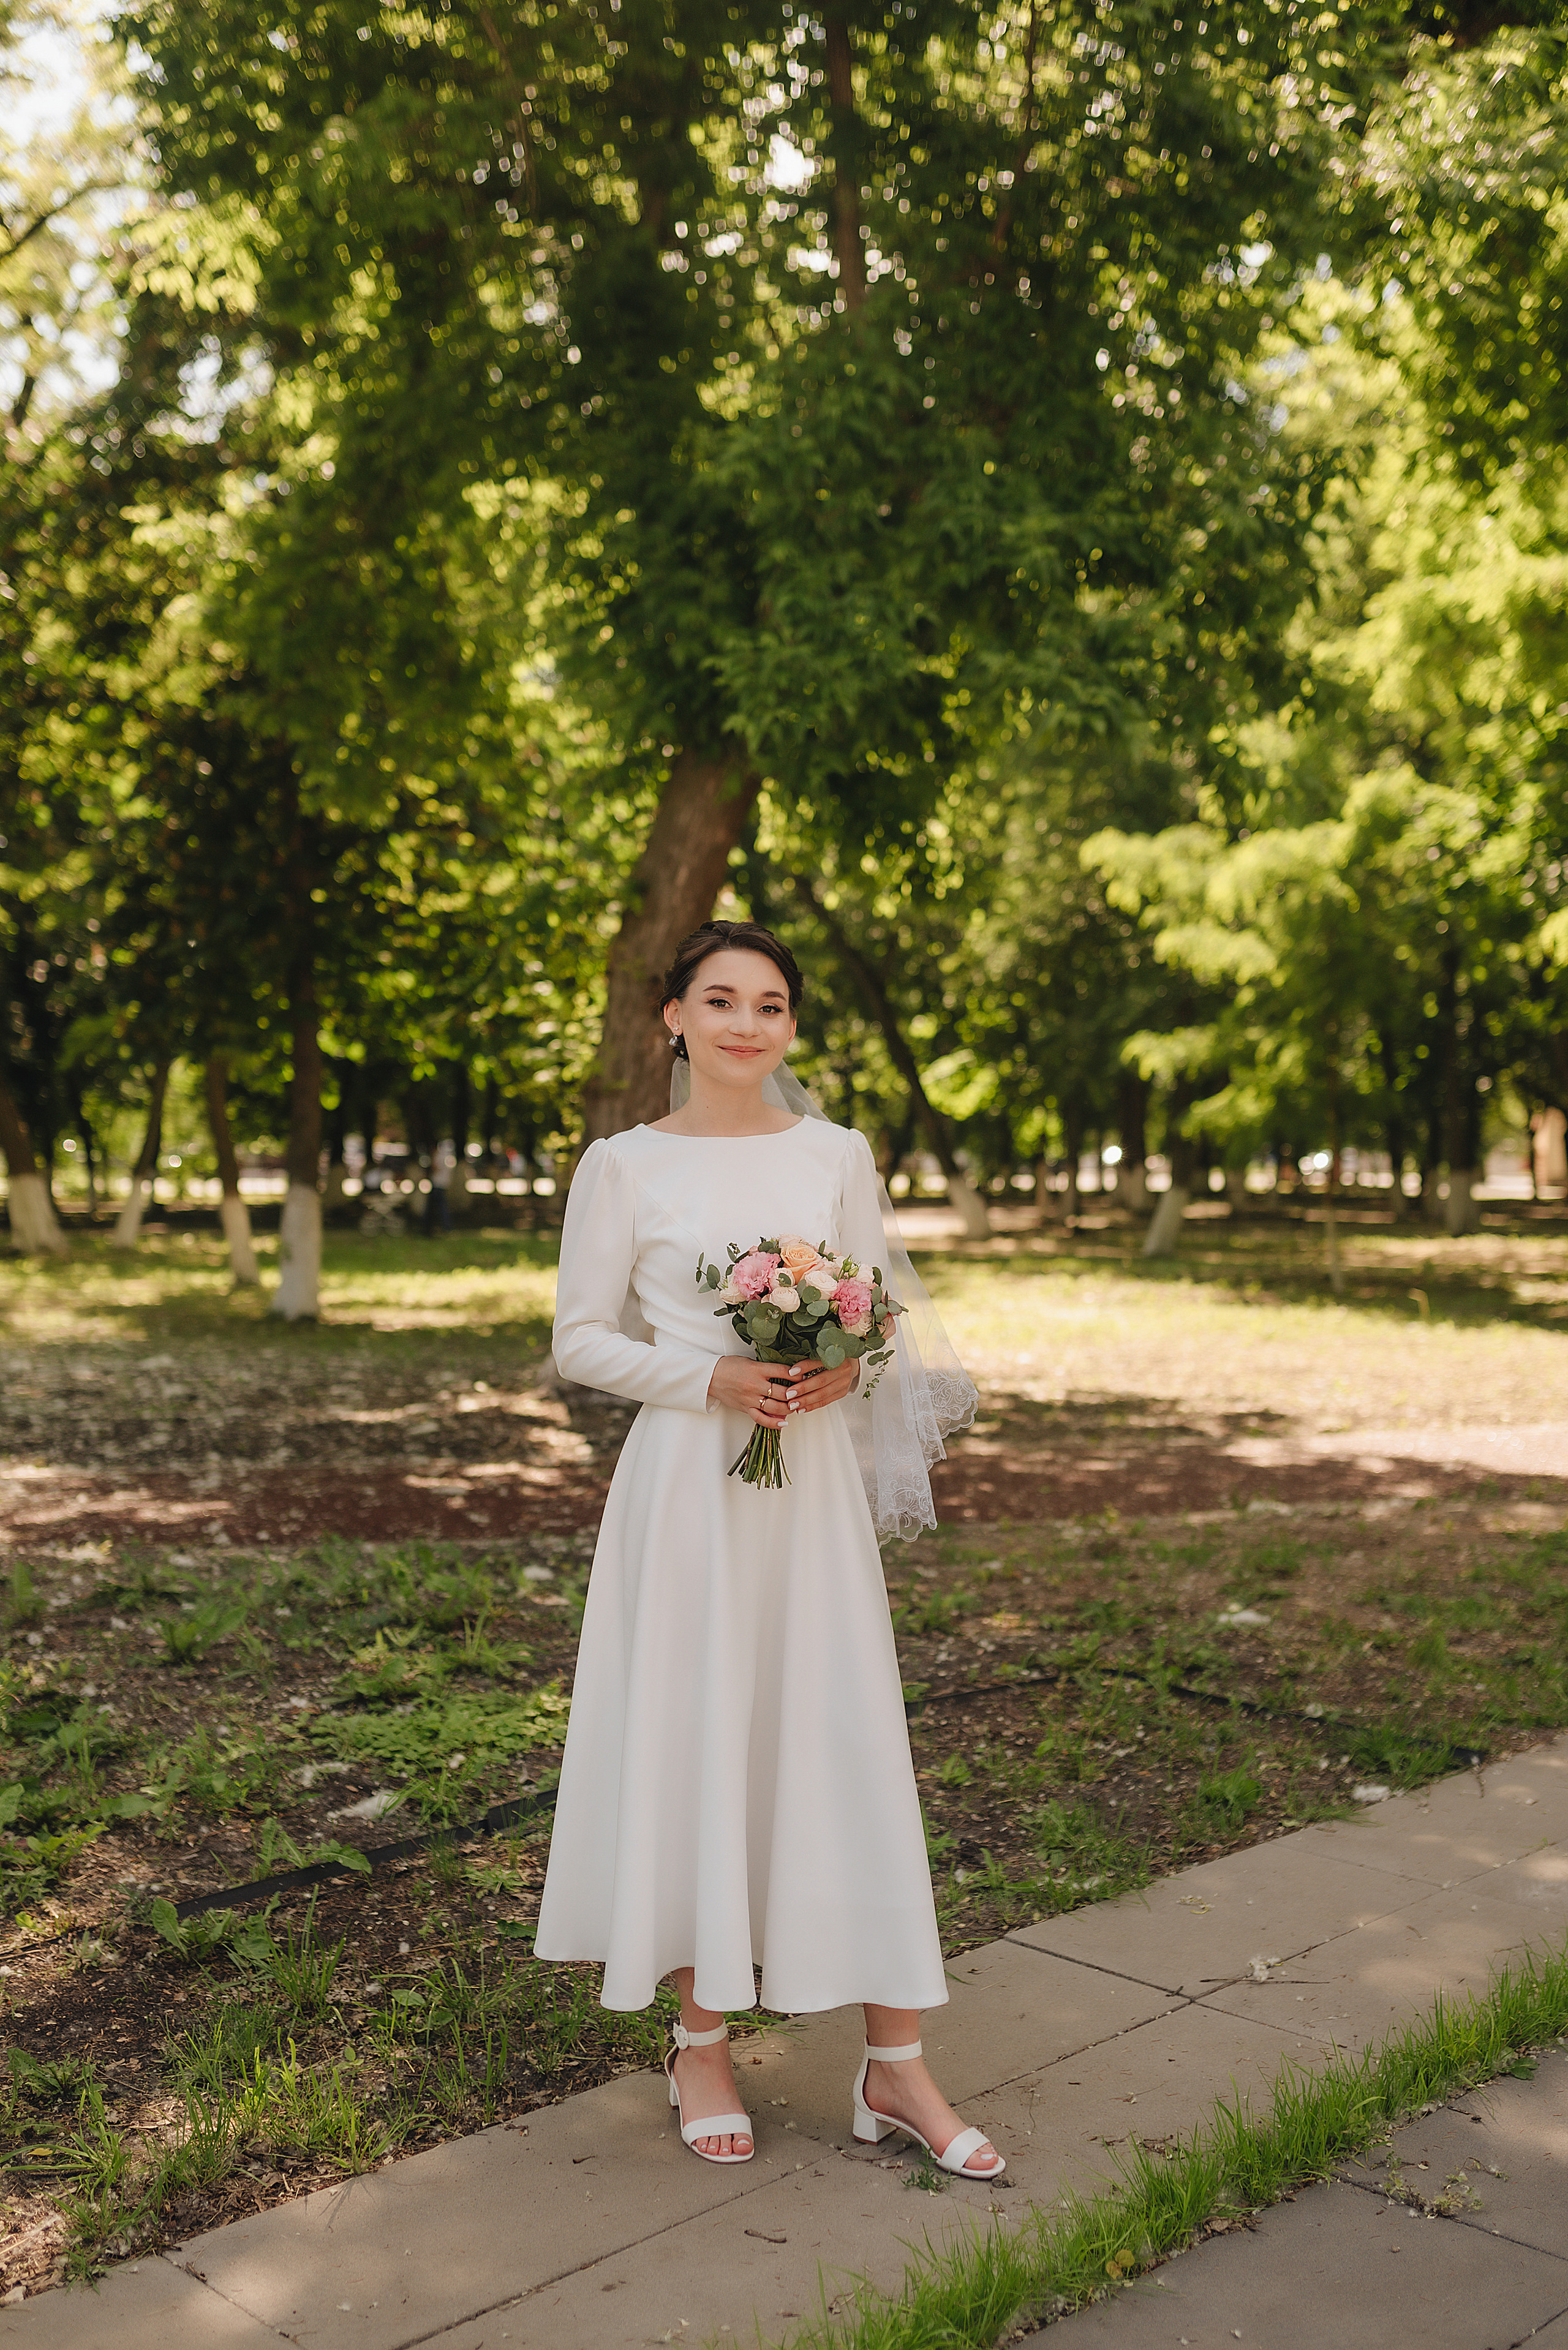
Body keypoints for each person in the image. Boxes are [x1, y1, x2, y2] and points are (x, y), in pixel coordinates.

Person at [534, 921, 998, 2175]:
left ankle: (892, 2063)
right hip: (687, 1486)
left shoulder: (836, 1151)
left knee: (835, 1733)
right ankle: (698, 2036)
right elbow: (579, 1337)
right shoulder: (620, 1165)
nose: (747, 1023)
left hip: (804, 1491)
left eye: (772, 1003)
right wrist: (711, 1376)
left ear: (790, 1026)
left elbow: (873, 1314)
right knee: (702, 1739)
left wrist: (835, 1369)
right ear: (671, 1017)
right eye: (720, 999)